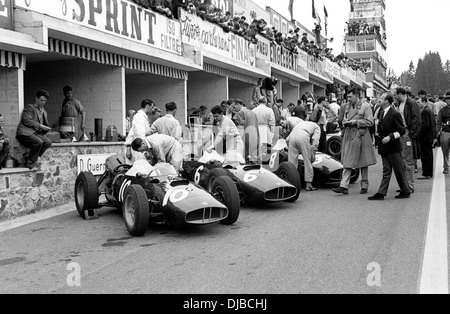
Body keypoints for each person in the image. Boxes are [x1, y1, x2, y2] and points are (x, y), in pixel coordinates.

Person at [333, 88, 377, 195]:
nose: (348, 99)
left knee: (363, 162)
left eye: (350, 97)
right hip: (349, 135)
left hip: (361, 136)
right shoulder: (346, 107)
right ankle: (344, 186)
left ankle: (364, 185)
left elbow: (370, 122)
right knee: (347, 161)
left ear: (357, 96)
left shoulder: (365, 106)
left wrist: (356, 122)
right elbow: (342, 119)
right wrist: (344, 122)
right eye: (347, 97)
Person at [368, 93, 411, 200]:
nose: (379, 100)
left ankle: (405, 190)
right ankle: (381, 193)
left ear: (387, 101)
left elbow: (401, 130)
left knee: (399, 170)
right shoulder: (382, 112)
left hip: (393, 147)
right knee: (386, 170)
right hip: (384, 147)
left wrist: (390, 137)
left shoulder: (394, 113)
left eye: (382, 98)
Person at [16, 90, 53, 170]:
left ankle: (30, 156)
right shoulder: (29, 107)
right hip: (24, 133)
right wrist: (40, 126)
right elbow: (26, 120)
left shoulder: (44, 112)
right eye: (41, 100)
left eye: (45, 101)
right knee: (38, 141)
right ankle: (30, 162)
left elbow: (43, 126)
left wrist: (46, 129)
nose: (43, 102)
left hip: (35, 134)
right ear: (36, 98)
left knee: (48, 142)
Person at [395, 87, 422, 192]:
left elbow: (416, 119)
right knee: (402, 160)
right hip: (401, 133)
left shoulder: (411, 103)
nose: (395, 97)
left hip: (407, 133)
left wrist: (411, 133)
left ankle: (410, 185)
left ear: (401, 94)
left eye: (396, 95)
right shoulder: (400, 104)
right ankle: (405, 185)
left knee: (408, 161)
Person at [287, 120, 321, 191]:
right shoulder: (317, 127)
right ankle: (308, 185)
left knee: (292, 162)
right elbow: (315, 141)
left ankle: (292, 184)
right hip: (303, 136)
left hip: (292, 136)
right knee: (307, 161)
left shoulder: (300, 123)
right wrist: (313, 154)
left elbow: (287, 139)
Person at [417, 96, 436, 180]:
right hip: (429, 136)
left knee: (425, 155)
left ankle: (426, 173)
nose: (418, 104)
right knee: (429, 155)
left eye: (419, 102)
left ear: (424, 101)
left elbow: (425, 124)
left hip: (425, 137)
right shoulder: (429, 110)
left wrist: (418, 133)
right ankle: (429, 173)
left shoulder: (424, 111)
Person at [436, 93, 450, 174]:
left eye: (449, 99)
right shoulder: (442, 110)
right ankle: (446, 167)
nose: (448, 101)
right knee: (445, 151)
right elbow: (438, 122)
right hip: (445, 132)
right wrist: (436, 132)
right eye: (447, 99)